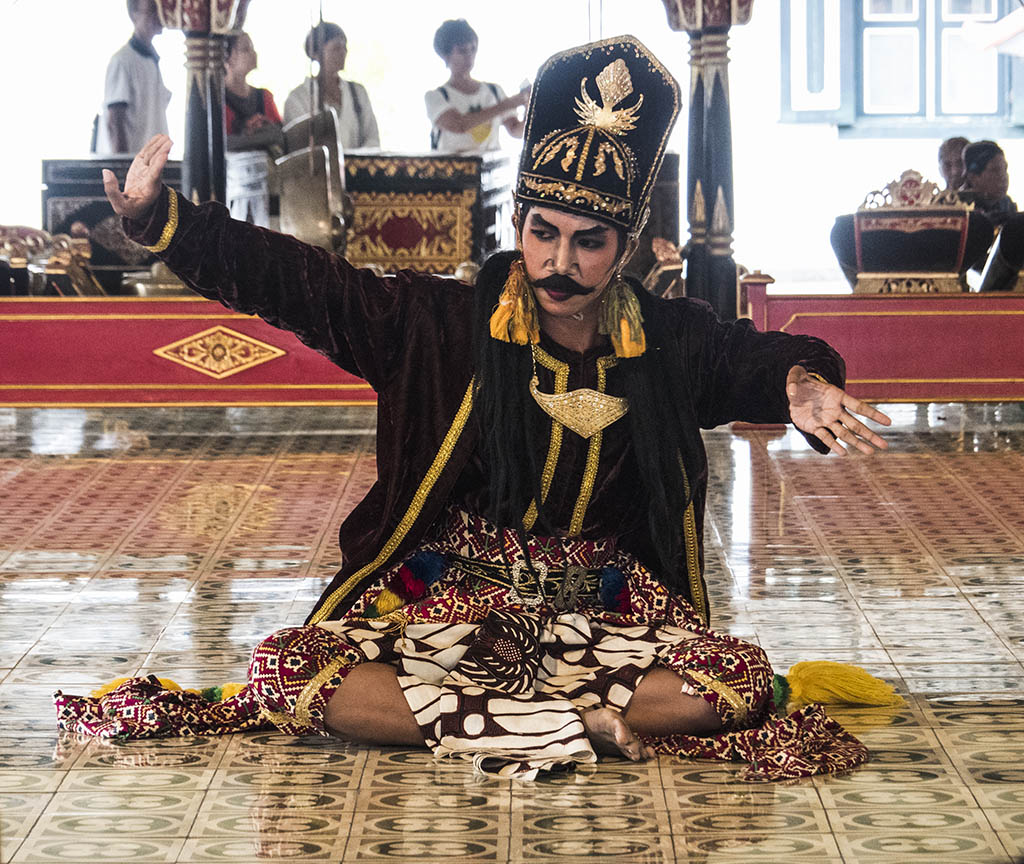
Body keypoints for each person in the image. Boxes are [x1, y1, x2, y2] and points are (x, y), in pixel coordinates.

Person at [57, 38, 894, 782]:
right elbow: (300, 284)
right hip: (448, 605)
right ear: (518, 223)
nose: (558, 261)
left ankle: (509, 726)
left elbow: (758, 356)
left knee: (739, 683)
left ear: (625, 246)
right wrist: (163, 222)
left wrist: (799, 381)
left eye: (587, 241)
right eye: (543, 232)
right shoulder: (436, 326)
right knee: (286, 671)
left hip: (603, 610)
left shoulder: (668, 341)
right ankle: (572, 730)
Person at [425, 19, 528, 152]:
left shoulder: (494, 91)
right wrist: (508, 104)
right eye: (462, 51)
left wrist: (528, 105)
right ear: (446, 55)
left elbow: (517, 131)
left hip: (491, 169)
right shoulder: (436, 97)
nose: (469, 56)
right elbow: (459, 125)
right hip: (453, 170)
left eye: (473, 49)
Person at [283, 22, 380, 150]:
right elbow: (301, 147)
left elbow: (372, 139)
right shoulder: (298, 98)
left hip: (357, 168)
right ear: (315, 54)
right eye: (336, 48)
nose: (343, 52)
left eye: (344, 47)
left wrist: (354, 160)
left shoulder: (357, 92)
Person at [93, 0, 171, 155]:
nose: (159, 15)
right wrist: (125, 169)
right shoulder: (122, 61)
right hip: (134, 168)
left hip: (149, 165)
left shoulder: (152, 60)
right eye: (152, 9)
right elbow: (115, 122)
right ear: (134, 12)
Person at [223, 31, 283, 154]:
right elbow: (223, 143)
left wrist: (246, 139)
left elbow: (279, 135)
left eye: (252, 49)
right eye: (246, 49)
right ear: (227, 56)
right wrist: (262, 137)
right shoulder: (218, 100)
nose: (254, 54)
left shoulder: (264, 96)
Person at [961, 140, 1017, 228]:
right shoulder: (957, 207)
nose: (1004, 177)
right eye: (995, 170)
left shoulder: (1006, 204)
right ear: (973, 177)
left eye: (1005, 169)